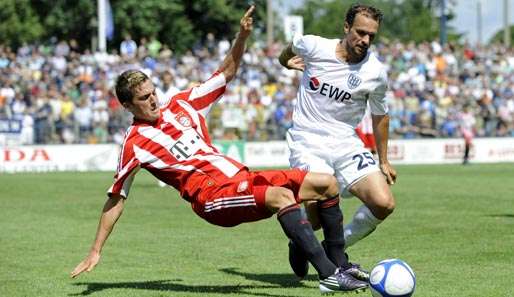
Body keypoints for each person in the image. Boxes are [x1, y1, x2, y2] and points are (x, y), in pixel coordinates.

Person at [70, 6, 368, 294]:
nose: (152, 100)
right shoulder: (134, 143)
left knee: (327, 184)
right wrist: (95, 250)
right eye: (143, 98)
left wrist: (242, 36)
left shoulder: (183, 104)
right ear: (127, 106)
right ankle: (329, 276)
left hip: (239, 177)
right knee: (282, 196)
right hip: (211, 196)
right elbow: (116, 198)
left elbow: (225, 73)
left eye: (153, 93)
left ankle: (340, 265)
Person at [278, 3, 397, 278]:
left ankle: (331, 249)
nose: (365, 40)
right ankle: (308, 242)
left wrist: (384, 160)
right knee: (318, 214)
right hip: (307, 140)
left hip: (346, 142)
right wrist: (285, 61)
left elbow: (381, 116)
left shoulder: (375, 72)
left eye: (371, 36)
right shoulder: (314, 46)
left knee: (383, 203)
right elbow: (290, 48)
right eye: (360, 32)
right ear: (346, 27)